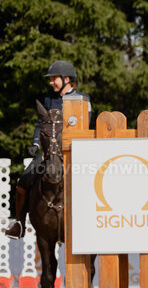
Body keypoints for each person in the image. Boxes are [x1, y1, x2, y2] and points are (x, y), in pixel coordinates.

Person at [4, 61, 90, 238]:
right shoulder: (49, 100)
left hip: (75, 152)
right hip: (49, 152)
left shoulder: (83, 99)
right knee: (23, 181)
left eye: (54, 79)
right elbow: (40, 124)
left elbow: (86, 125)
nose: (51, 82)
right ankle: (19, 223)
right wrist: (36, 143)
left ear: (67, 79)